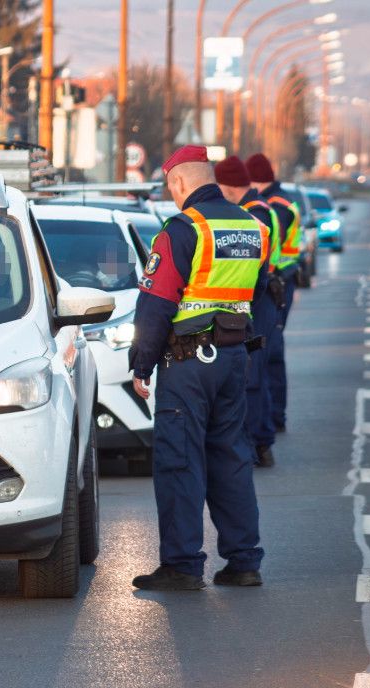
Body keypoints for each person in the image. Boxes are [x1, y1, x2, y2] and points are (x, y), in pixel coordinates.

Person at [129, 145, 267, 591]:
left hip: (188, 365)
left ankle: (182, 565)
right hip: (233, 358)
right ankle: (244, 562)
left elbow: (156, 305)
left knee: (180, 461)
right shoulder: (251, 226)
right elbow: (257, 291)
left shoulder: (181, 230)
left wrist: (141, 365)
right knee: (230, 458)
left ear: (179, 183)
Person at [216, 156, 280, 468]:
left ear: (226, 187)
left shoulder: (254, 216)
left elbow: (254, 269)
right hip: (260, 297)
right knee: (257, 374)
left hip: (259, 299)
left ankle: (259, 443)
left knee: (253, 377)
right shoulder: (258, 210)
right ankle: (260, 438)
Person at [246, 153, 301, 433]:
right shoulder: (278, 201)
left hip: (276, 281)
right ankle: (274, 417)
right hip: (281, 278)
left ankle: (273, 418)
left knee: (270, 353)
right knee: (271, 353)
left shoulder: (271, 207)